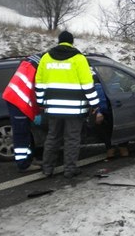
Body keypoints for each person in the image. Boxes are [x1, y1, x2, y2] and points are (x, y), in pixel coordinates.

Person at [35, 31, 100, 179]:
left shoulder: (45, 58)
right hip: (74, 110)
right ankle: (69, 169)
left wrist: (40, 103)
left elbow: (39, 84)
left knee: (52, 137)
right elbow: (87, 85)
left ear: (59, 41)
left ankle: (47, 168)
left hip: (53, 108)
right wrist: (95, 104)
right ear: (71, 42)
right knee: (72, 139)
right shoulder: (79, 59)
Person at [2, 54, 43, 173]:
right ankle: (23, 164)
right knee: (21, 134)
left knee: (25, 132)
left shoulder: (30, 63)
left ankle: (29, 159)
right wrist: (37, 112)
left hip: (15, 98)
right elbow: (33, 94)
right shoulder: (37, 69)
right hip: (17, 101)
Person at [90, 72, 129, 159]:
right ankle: (109, 147)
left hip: (117, 108)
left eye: (105, 70)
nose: (104, 72)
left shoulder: (119, 79)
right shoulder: (94, 80)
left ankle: (123, 146)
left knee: (122, 123)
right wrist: (98, 111)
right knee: (101, 125)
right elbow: (90, 96)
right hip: (101, 110)